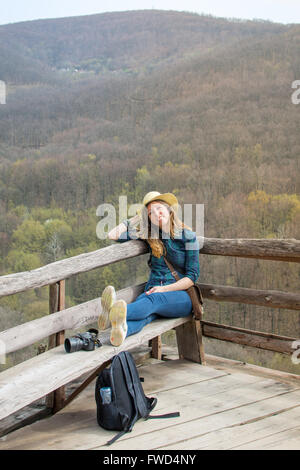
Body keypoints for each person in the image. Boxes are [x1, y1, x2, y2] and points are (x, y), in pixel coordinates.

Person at [98, 191, 200, 347]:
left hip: (181, 296)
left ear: (169, 210)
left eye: (159, 208)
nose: (157, 214)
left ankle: (112, 312)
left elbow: (192, 276)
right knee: (146, 316)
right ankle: (121, 332)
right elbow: (113, 234)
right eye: (151, 213)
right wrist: (138, 217)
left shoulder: (189, 237)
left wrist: (164, 290)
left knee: (152, 301)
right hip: (152, 292)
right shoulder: (149, 235)